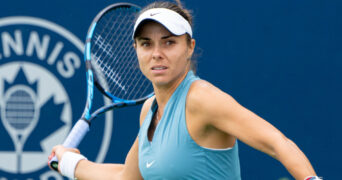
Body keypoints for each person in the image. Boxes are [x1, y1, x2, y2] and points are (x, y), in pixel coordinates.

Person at [48, 1, 322, 179]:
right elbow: (126, 178)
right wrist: (70, 164)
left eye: (168, 43)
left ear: (189, 47)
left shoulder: (202, 99)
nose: (157, 53)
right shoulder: (149, 112)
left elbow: (277, 143)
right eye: (146, 44)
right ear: (136, 50)